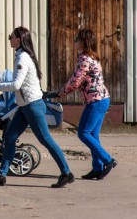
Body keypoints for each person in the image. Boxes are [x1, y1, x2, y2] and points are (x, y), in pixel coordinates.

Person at [0, 26, 74, 188]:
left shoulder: (23, 57)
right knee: (9, 137)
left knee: (46, 140)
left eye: (12, 36)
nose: (10, 39)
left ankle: (66, 173)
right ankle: (1, 175)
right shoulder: (21, 55)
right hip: (24, 106)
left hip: (32, 106)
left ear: (19, 39)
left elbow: (16, 84)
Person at [48, 28, 117, 180]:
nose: (75, 42)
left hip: (96, 101)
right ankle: (97, 168)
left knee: (83, 133)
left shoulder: (84, 59)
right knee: (93, 135)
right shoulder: (92, 57)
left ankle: (107, 160)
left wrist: (59, 93)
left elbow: (75, 80)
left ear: (84, 42)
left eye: (77, 39)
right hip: (102, 99)